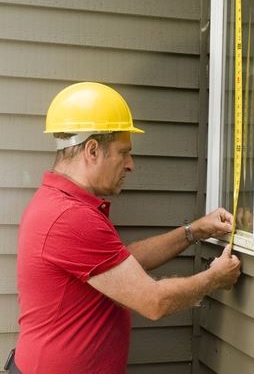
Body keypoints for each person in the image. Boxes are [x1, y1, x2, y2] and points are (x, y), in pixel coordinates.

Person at [11, 82, 240, 374]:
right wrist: (214, 278)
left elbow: (120, 263)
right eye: (124, 152)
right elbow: (153, 301)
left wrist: (194, 231)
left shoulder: (59, 202)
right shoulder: (70, 217)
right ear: (92, 150)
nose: (131, 164)